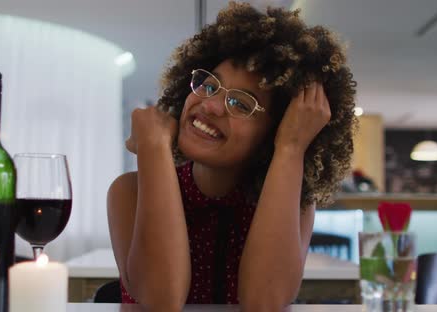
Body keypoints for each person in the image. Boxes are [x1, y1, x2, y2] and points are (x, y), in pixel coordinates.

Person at [107, 2, 357, 311]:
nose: (210, 105)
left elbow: (262, 303)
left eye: (241, 104)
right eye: (209, 85)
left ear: (276, 132)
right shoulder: (129, 191)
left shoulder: (296, 205)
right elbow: (162, 300)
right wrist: (154, 149)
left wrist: (292, 148)